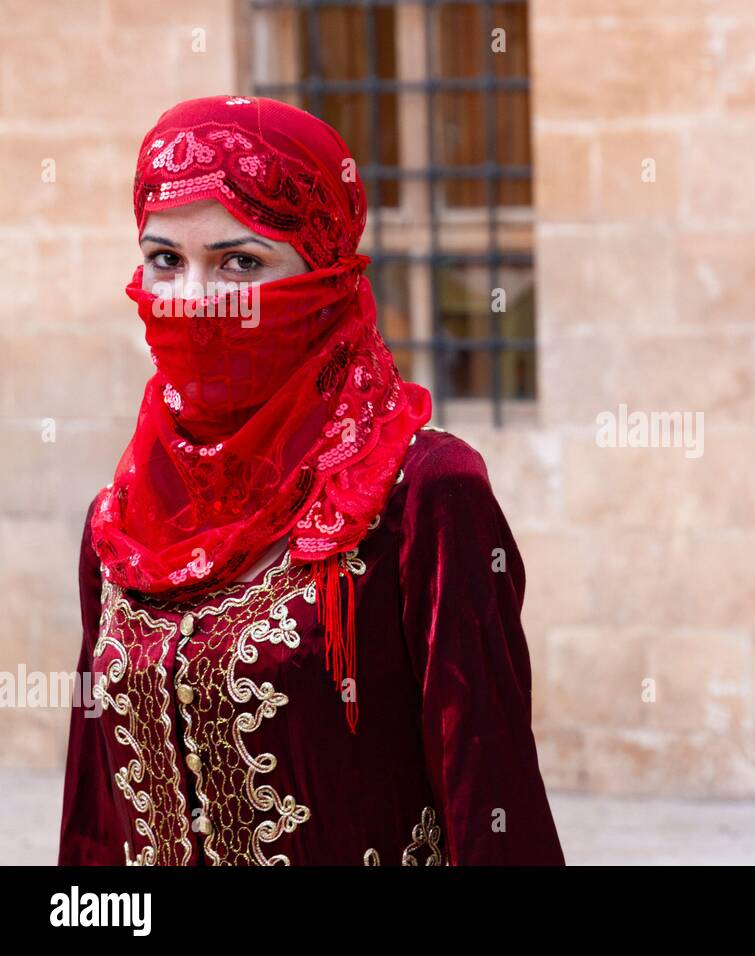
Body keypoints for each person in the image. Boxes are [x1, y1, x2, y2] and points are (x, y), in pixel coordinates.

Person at [57, 95, 564, 866]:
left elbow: (491, 798)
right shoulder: (122, 522)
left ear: (324, 275)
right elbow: (94, 822)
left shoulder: (422, 493)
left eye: (240, 263)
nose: (193, 299)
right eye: (165, 260)